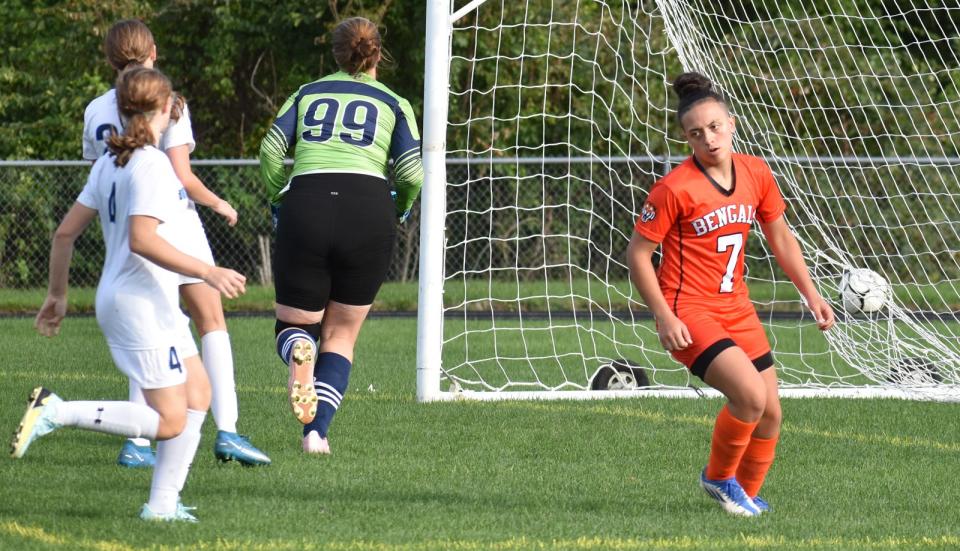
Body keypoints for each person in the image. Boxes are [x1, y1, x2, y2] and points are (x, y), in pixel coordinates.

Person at [13, 67, 247, 522]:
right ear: (165, 110)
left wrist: (57, 296)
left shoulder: (110, 162)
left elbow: (64, 234)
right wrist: (207, 271)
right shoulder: (152, 164)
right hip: (140, 307)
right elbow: (142, 239)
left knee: (199, 391)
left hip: (142, 300)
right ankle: (56, 411)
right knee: (170, 420)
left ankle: (162, 505)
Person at [627, 72, 835, 516]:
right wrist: (665, 316)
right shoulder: (674, 189)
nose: (709, 138)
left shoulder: (756, 172)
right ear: (687, 138)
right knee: (750, 398)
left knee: (772, 414)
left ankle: (744, 496)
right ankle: (718, 479)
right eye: (696, 133)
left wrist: (811, 293)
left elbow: (780, 236)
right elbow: (638, 254)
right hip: (691, 311)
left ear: (732, 123)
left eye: (715, 126)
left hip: (737, 308)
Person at [81, 19, 269, 467]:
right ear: (154, 52)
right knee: (210, 319)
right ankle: (228, 431)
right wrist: (221, 202)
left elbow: (96, 171)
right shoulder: (167, 99)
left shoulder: (94, 109)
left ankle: (139, 442)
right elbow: (181, 175)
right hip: (171, 217)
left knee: (151, 322)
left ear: (110, 58)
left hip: (125, 222)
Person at [260, 16, 423, 454]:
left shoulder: (307, 93)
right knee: (342, 336)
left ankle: (299, 350)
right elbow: (410, 171)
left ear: (335, 53)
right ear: (377, 54)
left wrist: (280, 197)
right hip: (368, 208)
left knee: (295, 325)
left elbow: (271, 149)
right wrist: (400, 207)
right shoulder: (394, 102)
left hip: (308, 199)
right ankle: (317, 433)